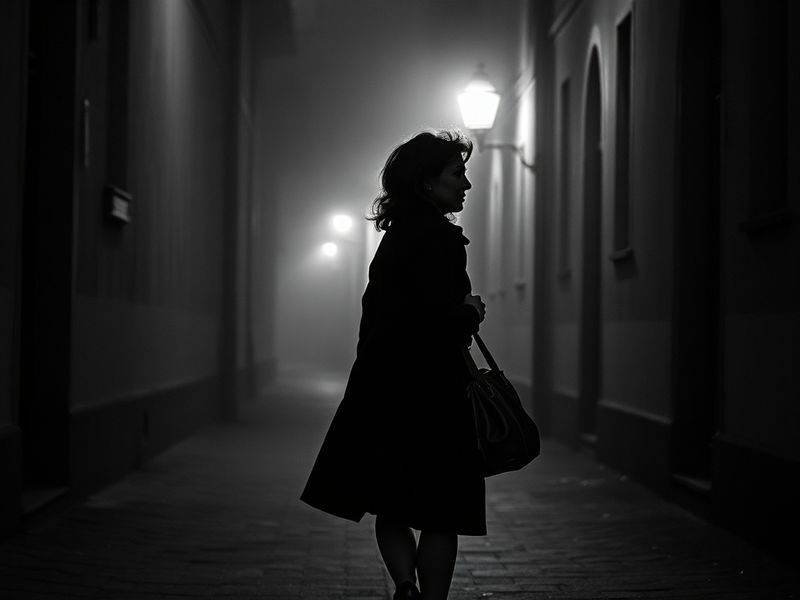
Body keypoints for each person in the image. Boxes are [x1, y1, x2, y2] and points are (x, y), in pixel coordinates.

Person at [300, 130, 487, 600]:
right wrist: (470, 310)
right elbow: (439, 325)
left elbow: (380, 318)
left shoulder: (392, 241)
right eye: (457, 173)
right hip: (437, 393)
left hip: (383, 389)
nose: (465, 184)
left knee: (394, 504)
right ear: (427, 182)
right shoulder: (443, 242)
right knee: (443, 513)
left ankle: (405, 583)